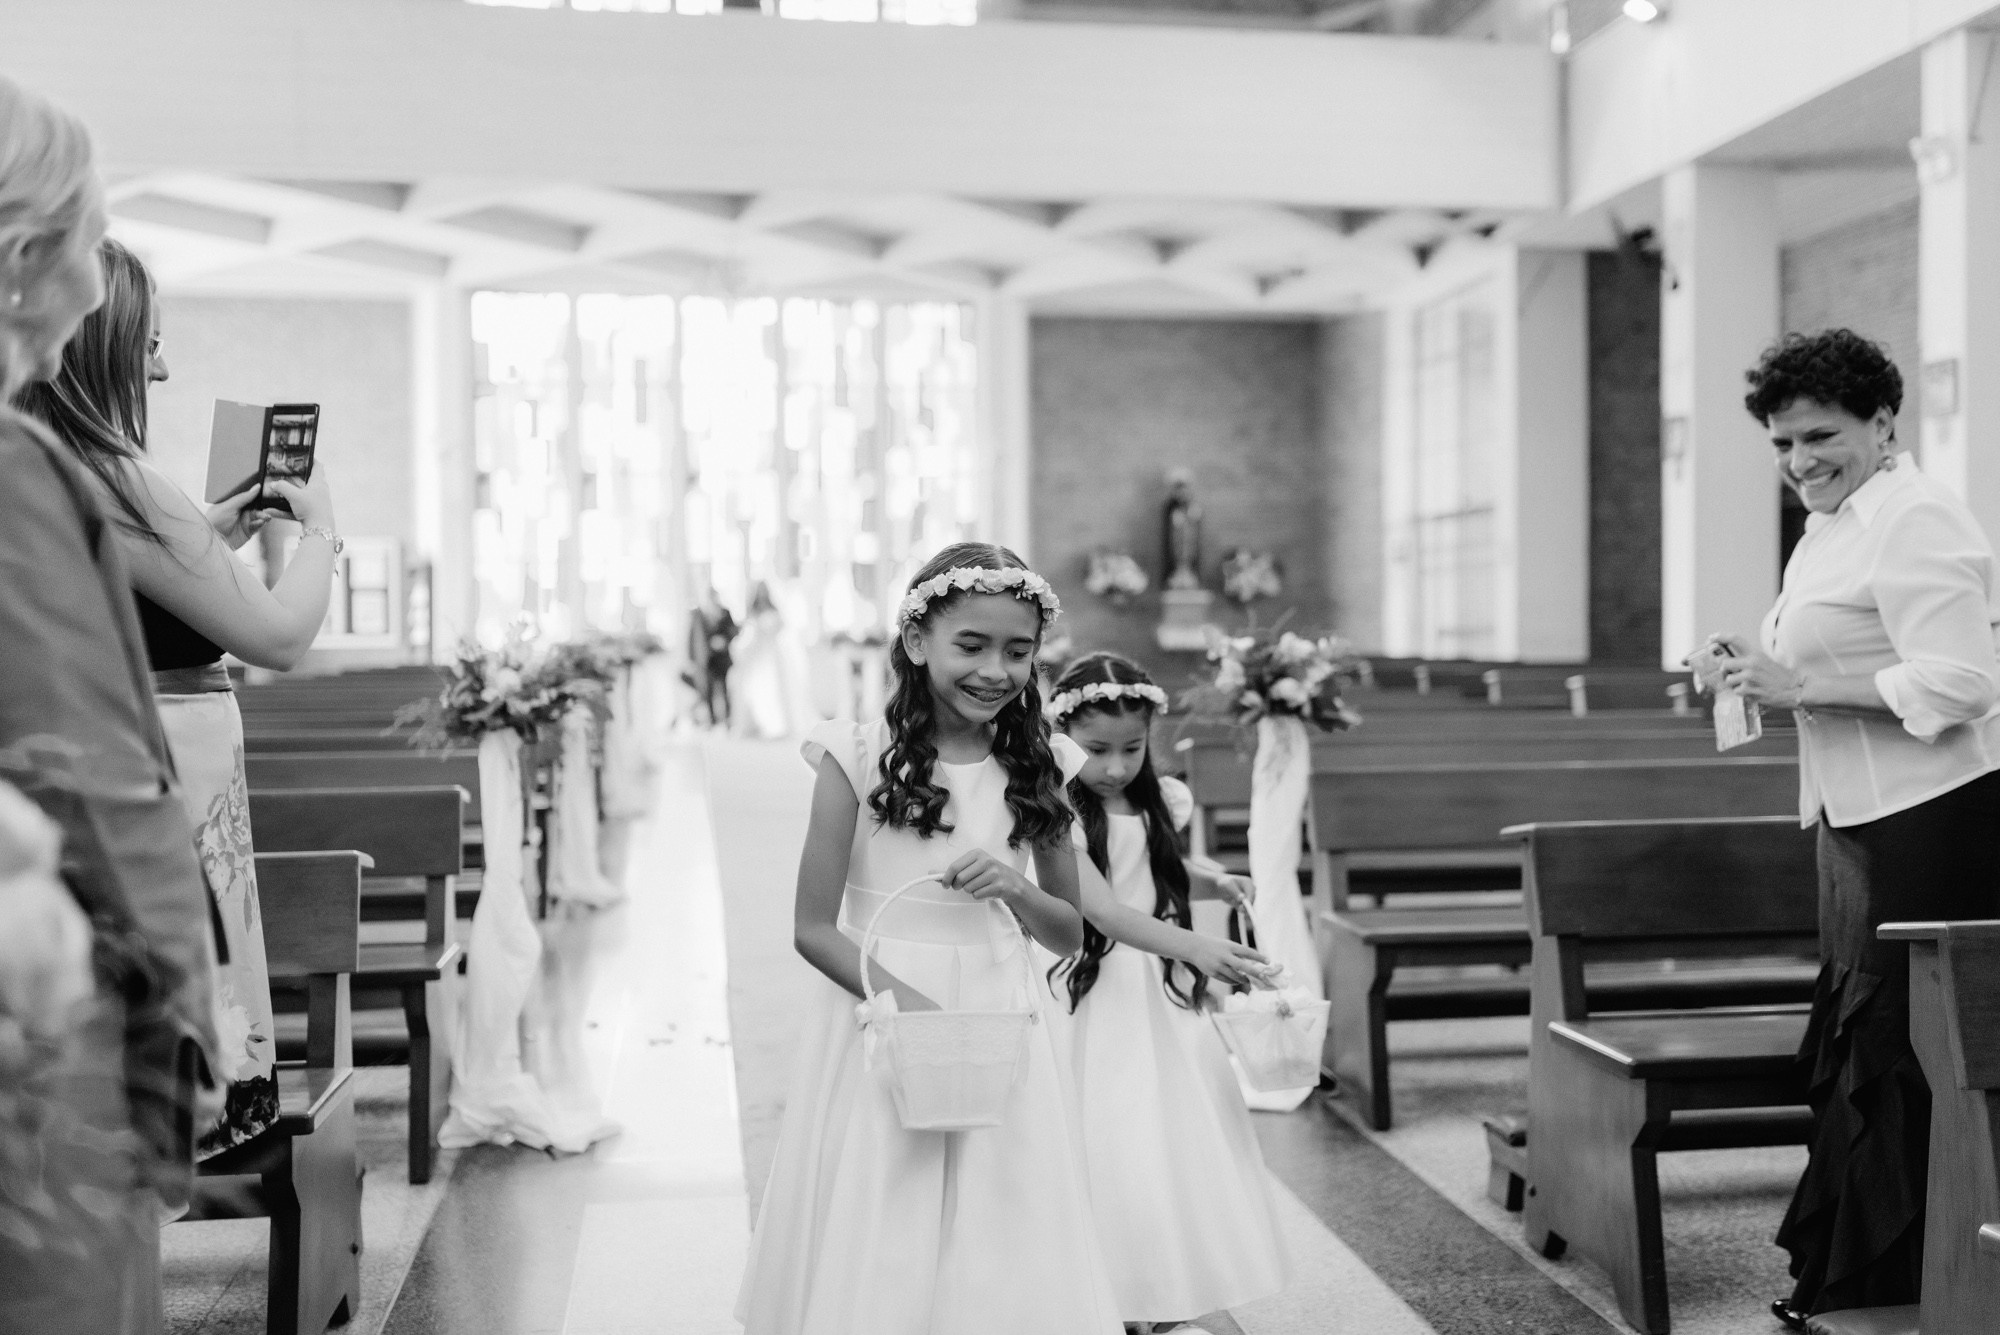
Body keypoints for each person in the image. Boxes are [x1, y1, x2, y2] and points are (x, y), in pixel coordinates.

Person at [737, 542, 1122, 1334]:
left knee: (1002, 1202)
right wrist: (911, 1007)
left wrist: (1016, 887)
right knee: (887, 1195)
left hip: (996, 1012)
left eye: (1018, 651)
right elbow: (812, 927)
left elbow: (1068, 933)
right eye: (971, 645)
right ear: (917, 642)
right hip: (883, 1006)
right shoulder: (853, 752)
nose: (996, 670)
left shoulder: (1041, 760)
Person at [1698, 329, 2000, 1327]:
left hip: (1930, 825)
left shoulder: (1916, 519)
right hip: (1855, 821)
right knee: (1864, 1041)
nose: (1798, 463)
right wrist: (1749, 669)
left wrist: (1802, 686)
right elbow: (1820, 656)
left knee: (1901, 1051)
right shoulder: (1833, 522)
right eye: (1780, 444)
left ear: (1882, 423)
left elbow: (1961, 684)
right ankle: (1868, 1283)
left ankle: (1907, 1287)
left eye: (1818, 436)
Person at [15, 236, 342, 1156]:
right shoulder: (119, 479)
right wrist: (320, 529)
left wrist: (205, 532)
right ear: (103, 343)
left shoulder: (46, 466)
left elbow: (119, 598)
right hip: (170, 796)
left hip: (108, 773)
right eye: (150, 342)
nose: (162, 366)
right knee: (167, 1071)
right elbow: (278, 636)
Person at [0, 72, 218, 1334]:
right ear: (27, 263)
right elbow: (87, 778)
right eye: (90, 238)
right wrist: (187, 1030)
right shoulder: (16, 470)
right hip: (38, 1039)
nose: (102, 280)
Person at [1045, 651, 1293, 1329]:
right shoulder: (1054, 809)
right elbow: (1103, 909)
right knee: (1115, 1138)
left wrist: (1211, 880)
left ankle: (1171, 1283)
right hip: (1098, 989)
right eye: (1097, 750)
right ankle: (1113, 1289)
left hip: (1158, 990)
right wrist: (1196, 945)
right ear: (1061, 735)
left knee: (1175, 1137)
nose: (1117, 766)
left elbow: (1154, 862)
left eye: (1132, 747)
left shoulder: (1157, 799)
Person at [687, 586, 738, 728]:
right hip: (707, 660)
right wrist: (692, 659)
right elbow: (692, 639)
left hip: (722, 658)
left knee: (725, 688)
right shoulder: (700, 615)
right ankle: (712, 719)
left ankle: (727, 719)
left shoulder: (725, 613)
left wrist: (723, 640)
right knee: (707, 689)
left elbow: (733, 631)